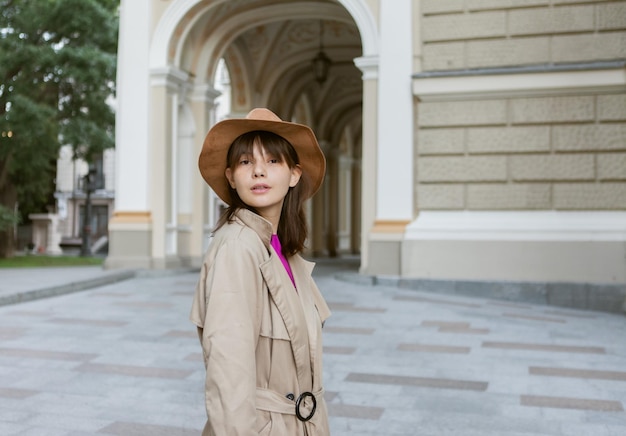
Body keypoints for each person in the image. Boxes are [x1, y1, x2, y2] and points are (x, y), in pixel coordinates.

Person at [190, 108, 332, 435]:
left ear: (294, 174)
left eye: (272, 161)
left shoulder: (282, 250)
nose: (258, 172)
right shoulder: (237, 248)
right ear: (230, 176)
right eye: (245, 162)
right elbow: (228, 371)